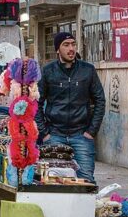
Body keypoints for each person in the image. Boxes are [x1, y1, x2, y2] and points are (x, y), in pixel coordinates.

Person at [36, 32, 106, 183]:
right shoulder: (48, 71)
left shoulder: (88, 70)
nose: (71, 48)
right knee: (54, 181)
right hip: (54, 134)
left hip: (81, 135)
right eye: (66, 45)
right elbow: (36, 102)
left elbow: (100, 100)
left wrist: (91, 131)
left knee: (86, 181)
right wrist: (45, 133)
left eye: (73, 44)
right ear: (57, 49)